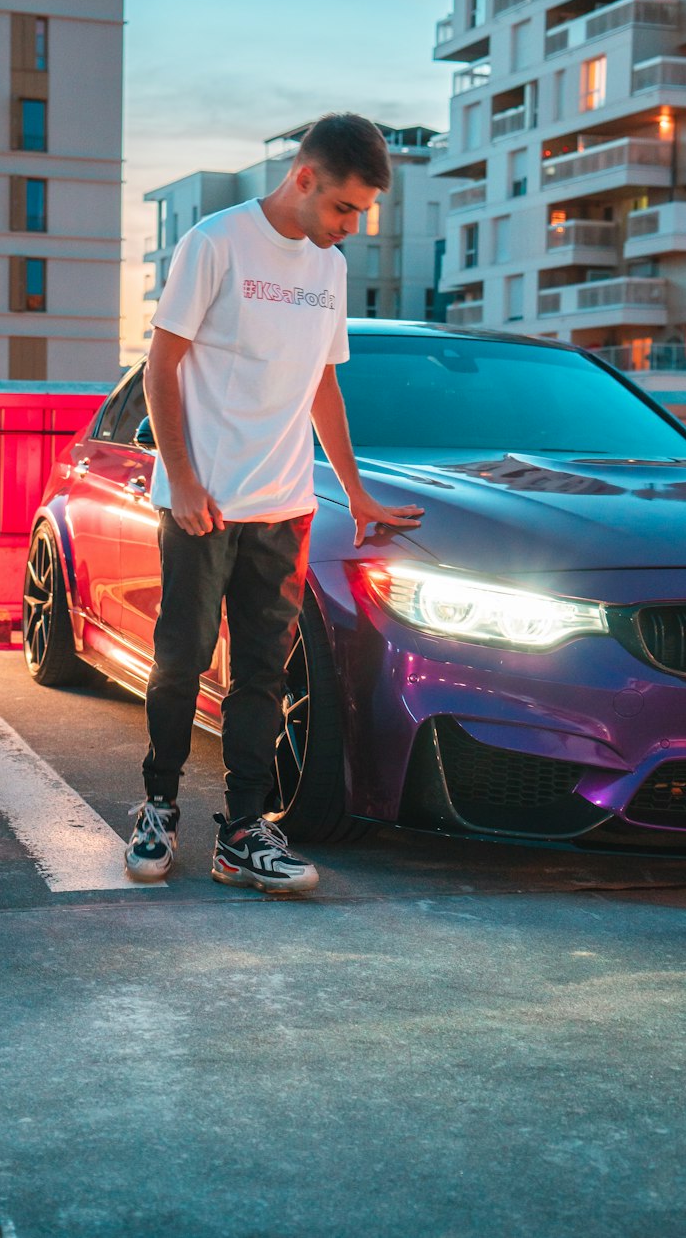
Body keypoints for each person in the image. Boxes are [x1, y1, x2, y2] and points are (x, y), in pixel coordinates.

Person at [125, 113, 424, 894]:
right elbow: (162, 365)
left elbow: (323, 382)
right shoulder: (216, 243)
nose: (351, 228)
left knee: (262, 674)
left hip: (285, 505)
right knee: (182, 660)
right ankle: (157, 806)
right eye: (344, 209)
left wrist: (354, 491)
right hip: (204, 506)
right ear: (303, 178)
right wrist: (183, 480)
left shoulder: (327, 269)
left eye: (360, 213)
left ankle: (243, 833)